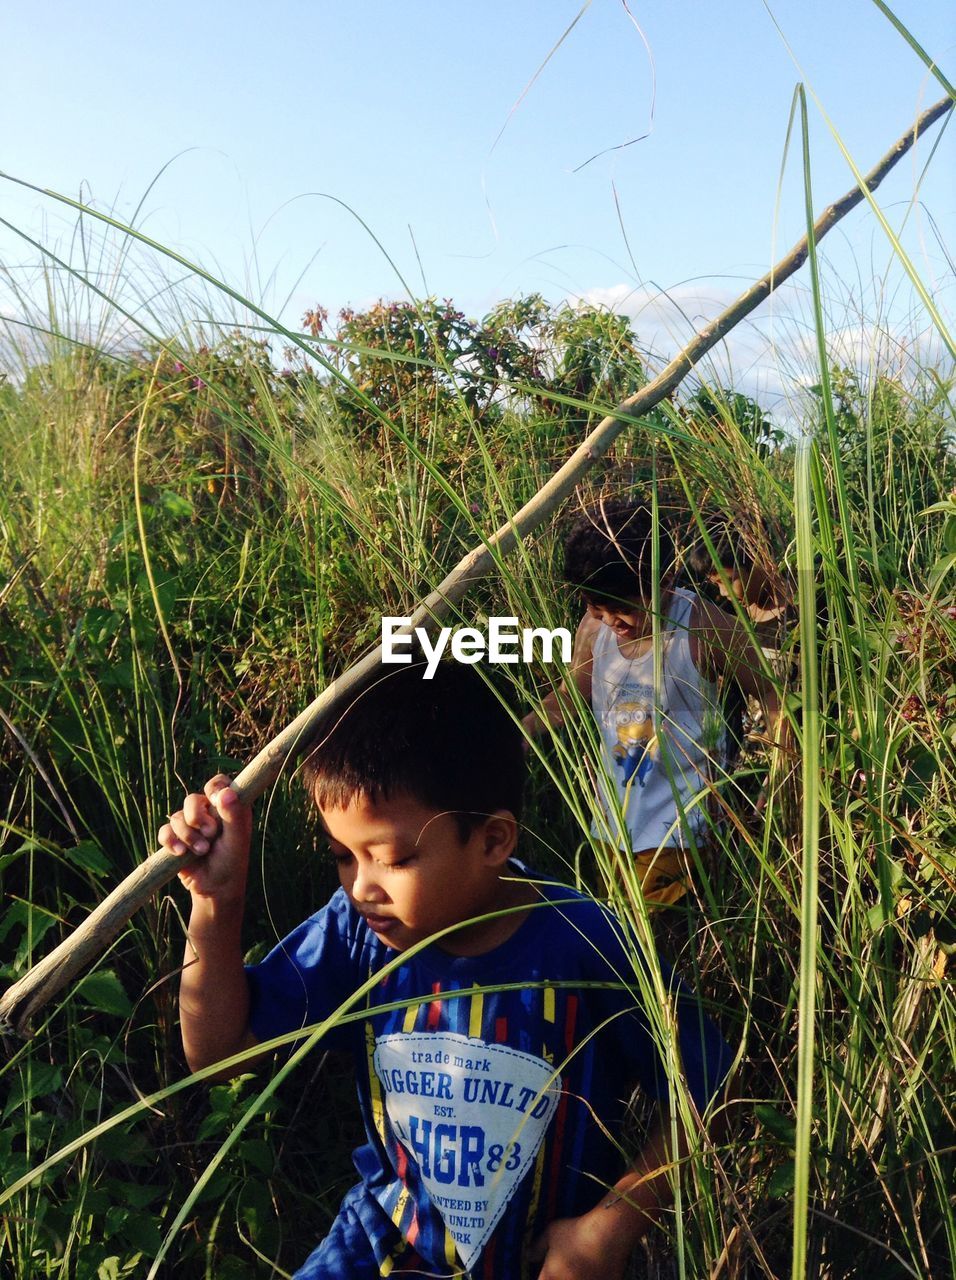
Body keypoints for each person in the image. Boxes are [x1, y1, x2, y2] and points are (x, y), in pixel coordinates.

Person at [161, 660, 732, 1280]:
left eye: (394, 859)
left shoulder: (585, 943)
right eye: (343, 859)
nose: (361, 887)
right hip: (380, 1251)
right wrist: (217, 904)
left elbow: (712, 1088)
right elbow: (218, 1056)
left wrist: (611, 1226)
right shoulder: (356, 932)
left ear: (492, 841)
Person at [522, 499, 782, 906]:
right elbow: (576, 691)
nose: (611, 622)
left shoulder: (701, 627)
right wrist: (522, 731)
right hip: (612, 825)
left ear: (665, 580)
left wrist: (779, 772)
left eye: (624, 610)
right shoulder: (594, 628)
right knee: (617, 932)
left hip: (681, 832)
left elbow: (771, 694)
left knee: (651, 942)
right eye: (596, 607)